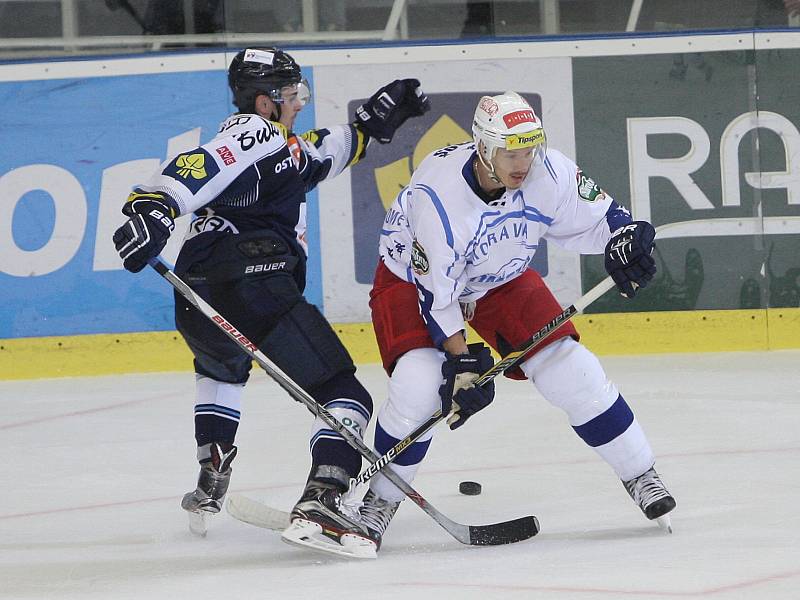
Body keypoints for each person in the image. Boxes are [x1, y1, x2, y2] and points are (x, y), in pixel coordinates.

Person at [112, 47, 429, 556]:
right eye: (290, 94)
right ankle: (323, 499)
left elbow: (321, 153)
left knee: (221, 371)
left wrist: (371, 126)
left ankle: (212, 469)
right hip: (254, 280)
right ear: (264, 101)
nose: (298, 103)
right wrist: (156, 205)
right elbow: (202, 163)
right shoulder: (253, 132)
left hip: (201, 291)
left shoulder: (279, 151)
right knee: (341, 393)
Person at [358, 91, 676, 552]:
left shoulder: (548, 172)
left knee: (572, 368)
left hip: (497, 278)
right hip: (412, 280)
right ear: (484, 147)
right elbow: (437, 296)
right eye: (511, 151)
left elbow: (603, 217)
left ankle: (641, 474)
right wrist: (462, 362)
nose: (523, 161)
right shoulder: (438, 199)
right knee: (420, 386)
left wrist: (624, 237)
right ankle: (379, 503)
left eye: (529, 148)